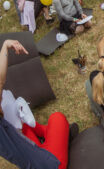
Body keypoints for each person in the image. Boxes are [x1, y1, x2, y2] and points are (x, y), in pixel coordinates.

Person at [0, 39, 76, 169]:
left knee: (26, 128)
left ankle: (52, 135)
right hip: (53, 164)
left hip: (36, 160)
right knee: (57, 118)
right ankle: (59, 135)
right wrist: (6, 45)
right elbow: (1, 79)